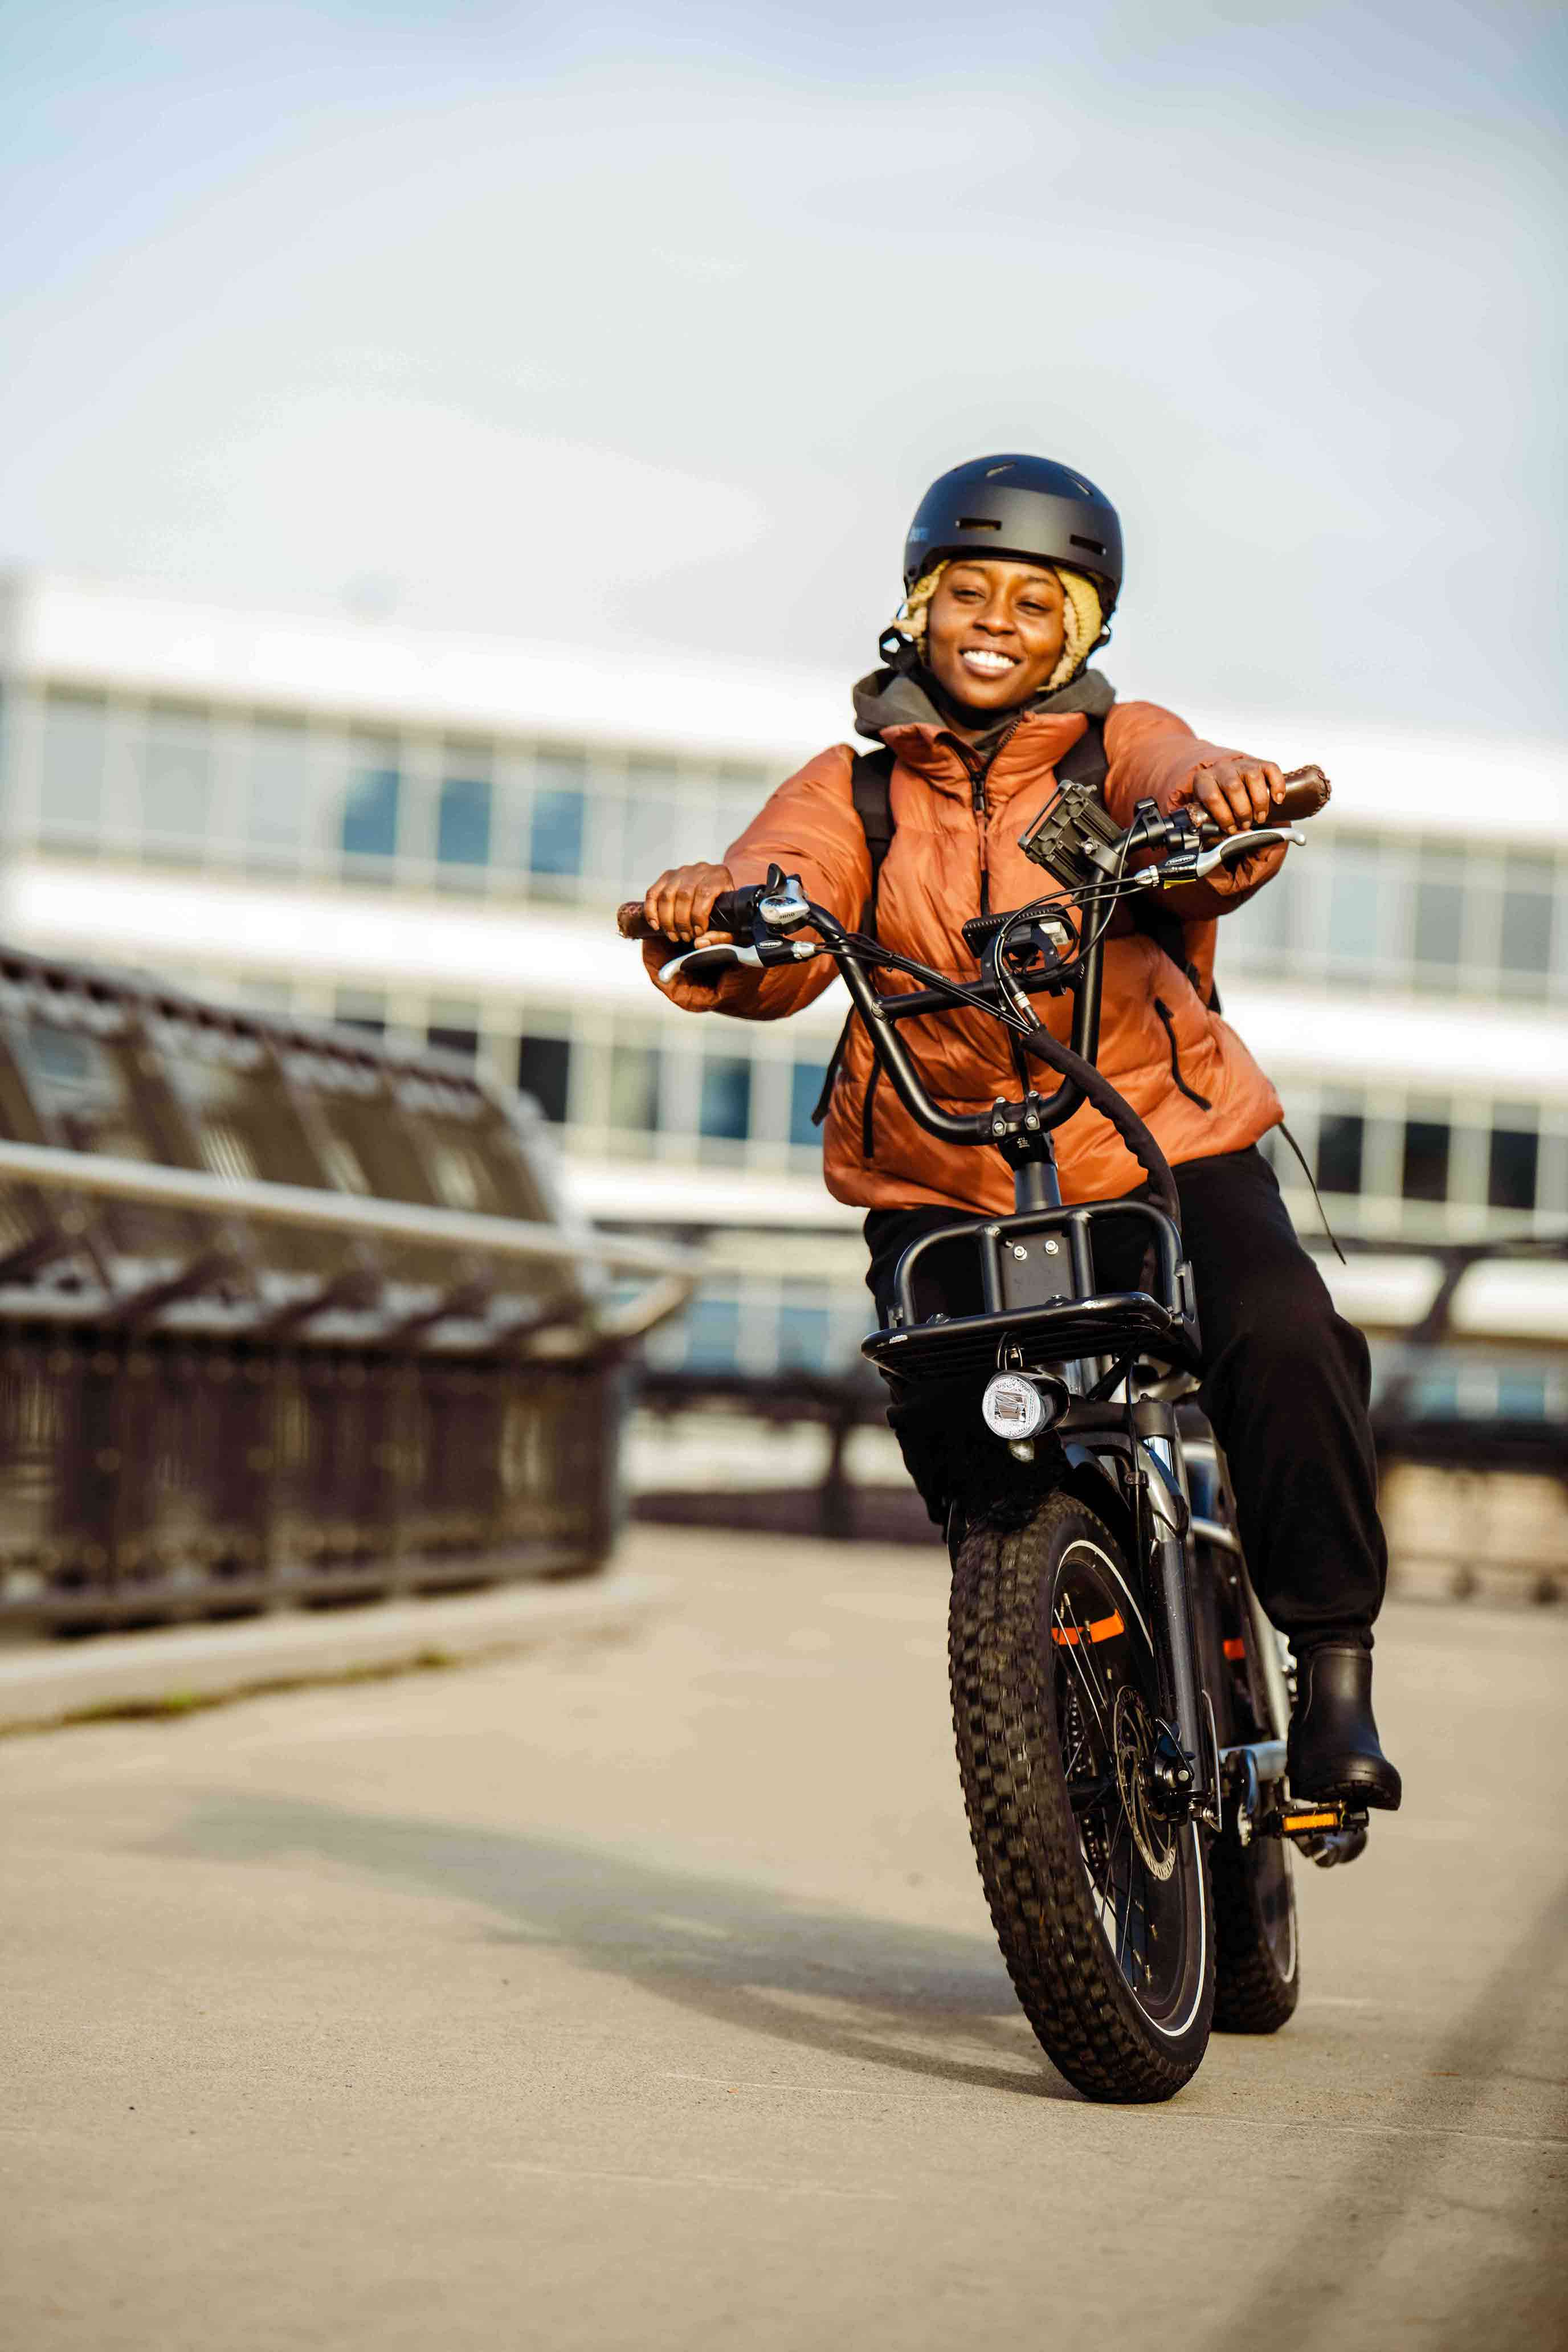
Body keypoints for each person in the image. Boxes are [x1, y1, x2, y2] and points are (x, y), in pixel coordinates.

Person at [639, 453, 1400, 1812]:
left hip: (1153, 1144)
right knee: (950, 1420)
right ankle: (1048, 1642)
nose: (995, 621)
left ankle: (1331, 1664)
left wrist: (1220, 803)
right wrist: (720, 904)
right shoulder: (857, 790)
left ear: (1080, 633)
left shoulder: (1117, 749)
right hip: (939, 1166)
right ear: (919, 609)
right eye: (966, 592)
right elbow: (784, 889)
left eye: (1034, 603)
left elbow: (1192, 786)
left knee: (1282, 1336)